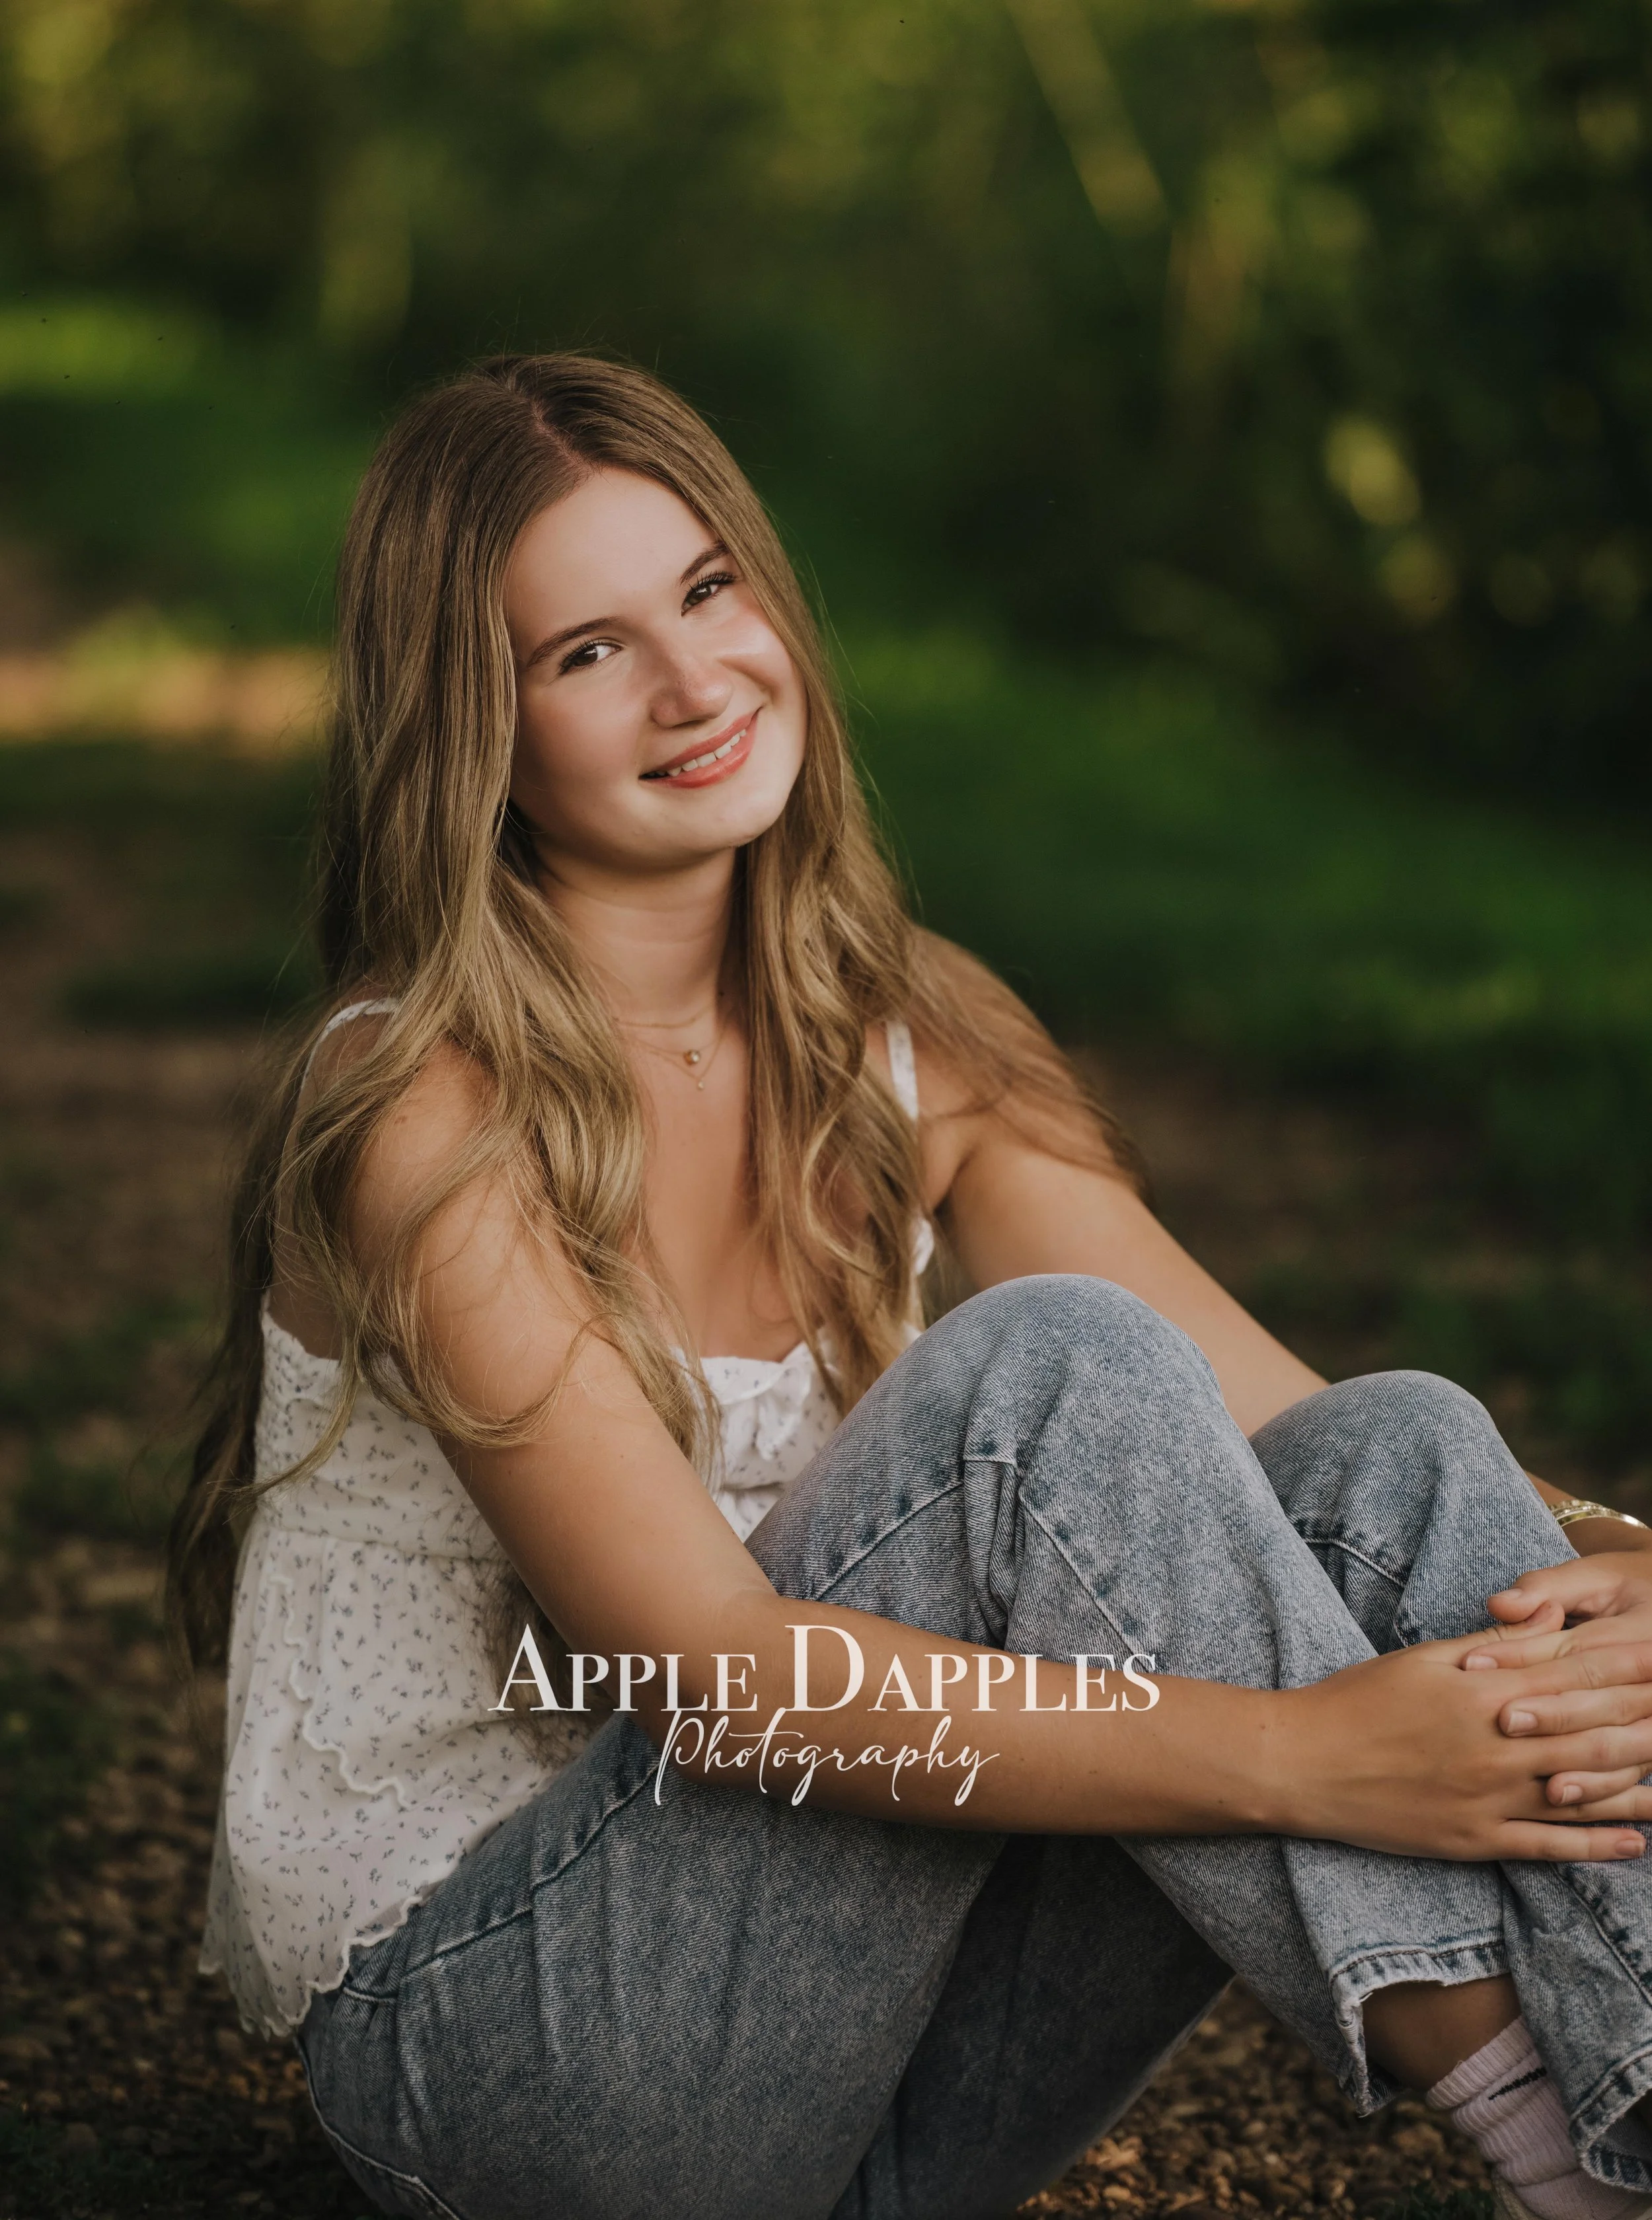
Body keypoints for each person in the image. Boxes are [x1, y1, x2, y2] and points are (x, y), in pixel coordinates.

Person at [170, 353, 1652, 2220]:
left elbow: (1291, 1436)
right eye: (586, 651)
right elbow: (707, 1683)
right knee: (1041, 1377)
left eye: (711, 591)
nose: (698, 681)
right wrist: (1315, 1757)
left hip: (857, 2097)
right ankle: (1555, 2148)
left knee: (1402, 1450)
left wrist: (1615, 1566)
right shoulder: (417, 1105)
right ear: (473, 732)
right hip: (523, 2066)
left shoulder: (909, 1027)